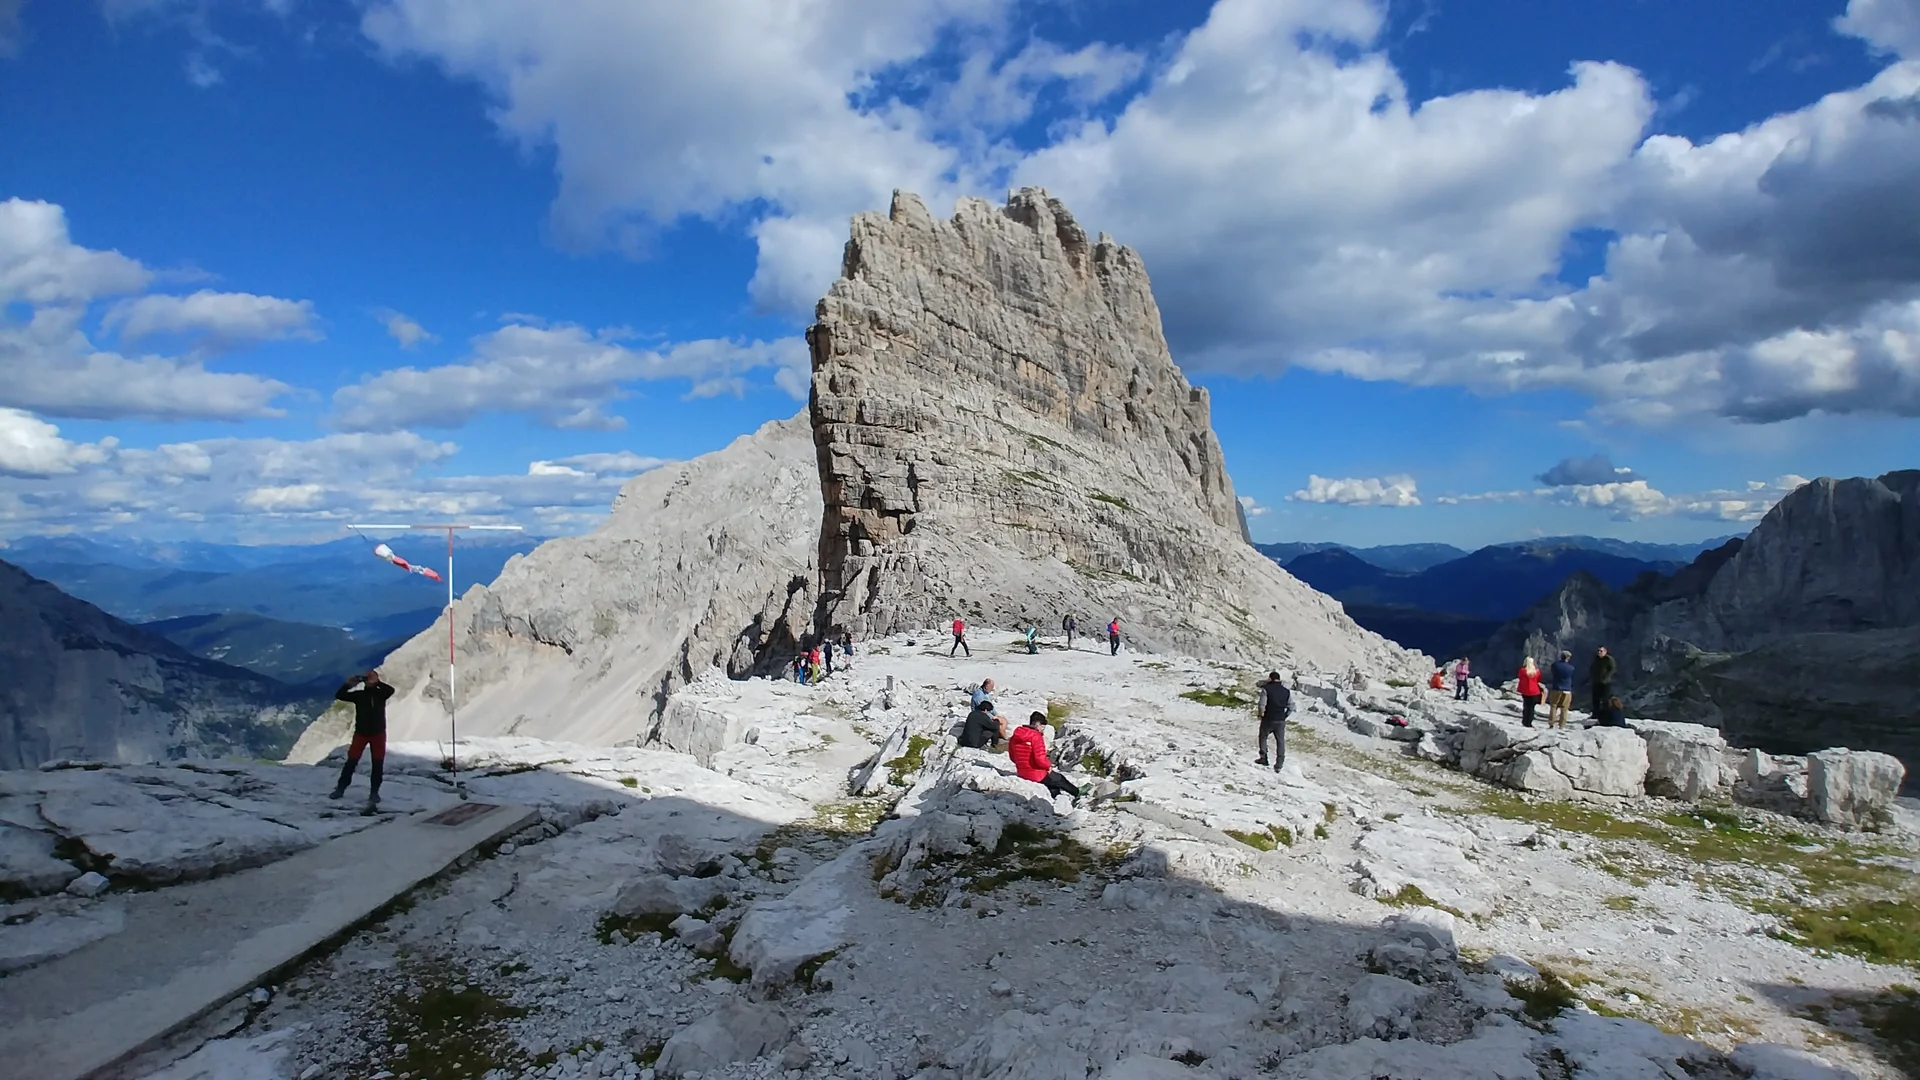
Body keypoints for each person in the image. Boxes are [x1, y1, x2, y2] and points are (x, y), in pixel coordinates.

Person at [331, 670, 395, 811]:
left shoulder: (380, 694)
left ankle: (374, 793)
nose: (368, 680)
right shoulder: (359, 695)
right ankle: (341, 788)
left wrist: (377, 682)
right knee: (352, 761)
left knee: (377, 764)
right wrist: (348, 684)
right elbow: (339, 695)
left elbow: (391, 690)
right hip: (363, 733)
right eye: (367, 678)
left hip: (376, 734)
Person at [1009, 711, 1081, 806]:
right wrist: (1048, 766)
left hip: (1022, 772)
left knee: (1053, 784)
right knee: (1059, 779)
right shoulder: (1036, 736)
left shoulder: (1015, 736)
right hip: (1036, 774)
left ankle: (1058, 802)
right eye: (1042, 727)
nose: (1043, 730)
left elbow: (1012, 757)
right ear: (1037, 724)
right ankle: (1078, 794)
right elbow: (1040, 759)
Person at [1254, 670, 1291, 771]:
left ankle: (1263, 757)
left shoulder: (1266, 689)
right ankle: (1279, 764)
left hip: (1268, 718)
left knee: (1263, 737)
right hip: (1280, 719)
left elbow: (1262, 704)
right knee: (1280, 741)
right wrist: (1284, 716)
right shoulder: (1286, 691)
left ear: (1270, 678)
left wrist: (1261, 714)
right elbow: (1291, 706)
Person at [1548, 650, 1576, 729]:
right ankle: (1562, 725)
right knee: (1564, 708)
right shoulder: (1571, 668)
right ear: (1568, 658)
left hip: (1556, 688)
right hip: (1567, 689)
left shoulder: (1555, 665)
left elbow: (1553, 672)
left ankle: (1551, 723)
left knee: (1554, 706)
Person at [1515, 657, 1543, 728]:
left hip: (1525, 691)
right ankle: (1529, 722)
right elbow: (1538, 680)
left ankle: (1525, 721)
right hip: (1534, 691)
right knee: (1531, 708)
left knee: (1526, 706)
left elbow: (1519, 677)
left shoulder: (1522, 671)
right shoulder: (1537, 672)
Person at [1589, 646, 1616, 717]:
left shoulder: (1609, 659)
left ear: (1605, 651)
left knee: (1605, 699)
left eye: (1601, 651)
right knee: (1595, 699)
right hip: (1596, 681)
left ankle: (1605, 714)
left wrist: (1606, 676)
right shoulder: (1596, 659)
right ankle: (1595, 714)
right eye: (1598, 651)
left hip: (1605, 682)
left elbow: (1612, 669)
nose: (1599, 652)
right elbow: (1592, 667)